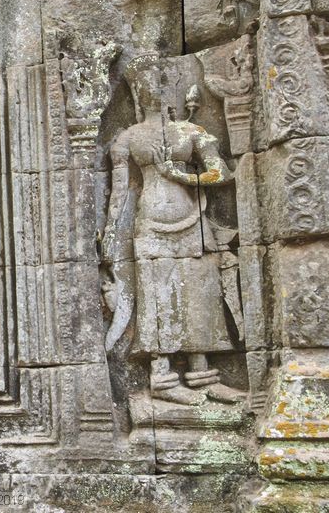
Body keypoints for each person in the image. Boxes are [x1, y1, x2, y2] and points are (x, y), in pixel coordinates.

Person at [101, 63, 244, 406]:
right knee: (157, 294)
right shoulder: (127, 137)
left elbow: (222, 172)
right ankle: (162, 377)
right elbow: (118, 193)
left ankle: (202, 374)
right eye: (145, 82)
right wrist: (109, 234)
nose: (153, 88)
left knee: (200, 290)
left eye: (160, 80)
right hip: (149, 221)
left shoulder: (190, 130)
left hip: (192, 219)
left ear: (173, 86)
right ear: (135, 91)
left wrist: (182, 176)